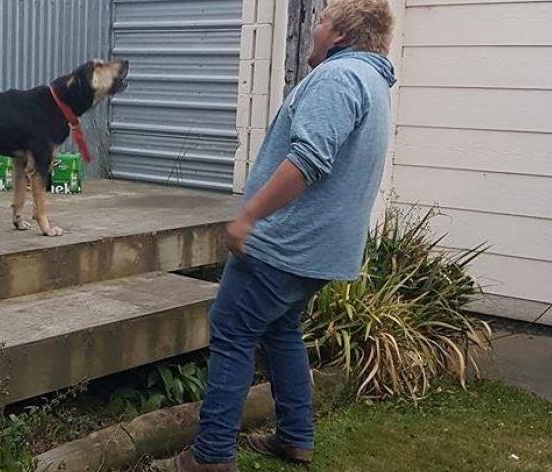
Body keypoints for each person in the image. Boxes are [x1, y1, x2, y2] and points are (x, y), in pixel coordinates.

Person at [156, 0, 396, 470]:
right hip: (321, 252)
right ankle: (295, 438)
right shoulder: (372, 82)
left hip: (284, 246)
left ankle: (210, 457)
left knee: (232, 332)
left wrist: (249, 217)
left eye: (323, 21)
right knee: (282, 330)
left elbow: (309, 159)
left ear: (341, 35)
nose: (315, 29)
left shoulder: (338, 78)